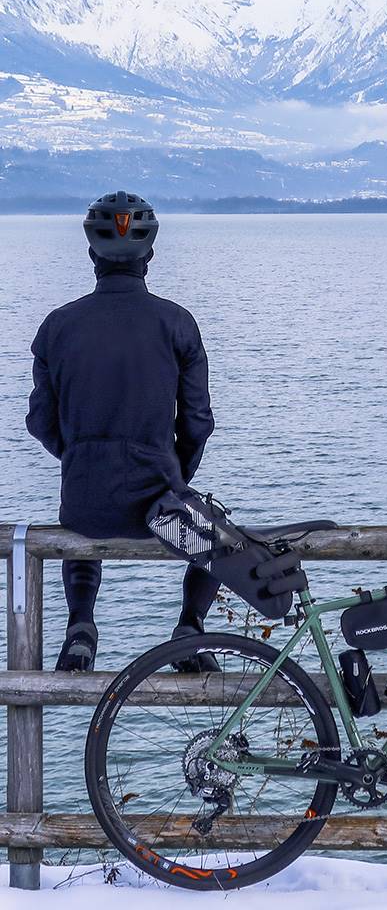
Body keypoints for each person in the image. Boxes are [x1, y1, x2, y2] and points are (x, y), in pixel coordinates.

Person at [26, 191, 219, 672]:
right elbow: (197, 422)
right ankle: (190, 628)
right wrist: (173, 471)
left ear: (91, 253)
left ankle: (81, 625)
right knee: (216, 534)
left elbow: (39, 420)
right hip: (159, 505)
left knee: (79, 526)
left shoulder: (57, 327)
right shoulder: (178, 324)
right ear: (149, 255)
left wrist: (80, 456)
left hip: (85, 503)